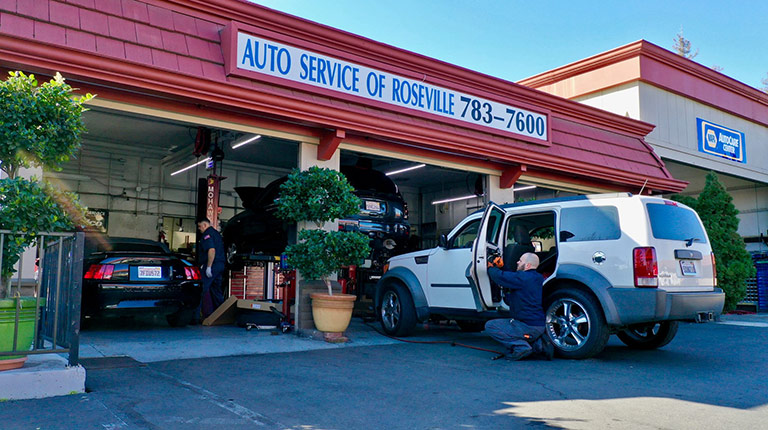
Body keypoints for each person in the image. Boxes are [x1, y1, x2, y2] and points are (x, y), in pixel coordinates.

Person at [484, 252, 554, 361]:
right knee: (518, 328)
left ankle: (520, 347)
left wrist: (490, 268)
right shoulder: (537, 277)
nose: (517, 262)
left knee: (491, 325)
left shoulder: (523, 278)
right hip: (538, 326)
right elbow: (513, 277)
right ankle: (538, 345)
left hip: (526, 326)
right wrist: (503, 267)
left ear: (528, 266)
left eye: (520, 260)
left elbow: (500, 277)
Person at [195, 217, 226, 321]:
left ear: (204, 225)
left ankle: (195, 317)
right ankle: (222, 315)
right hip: (220, 265)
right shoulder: (216, 234)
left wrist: (208, 267)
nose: (199, 229)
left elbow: (211, 250)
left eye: (200, 226)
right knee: (216, 292)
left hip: (213, 265)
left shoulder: (207, 235)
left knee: (201, 289)